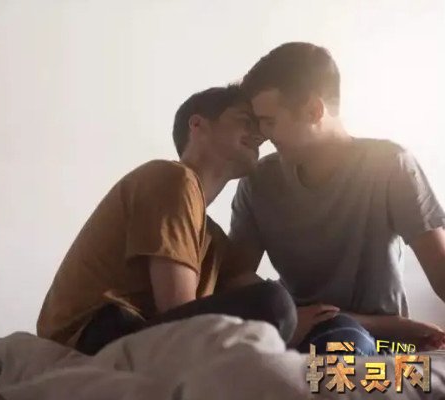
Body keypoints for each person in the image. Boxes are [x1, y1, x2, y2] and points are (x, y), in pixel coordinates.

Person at [37, 85, 297, 355]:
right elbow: (178, 311)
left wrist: (303, 312)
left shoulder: (213, 239)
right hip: (94, 333)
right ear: (197, 125)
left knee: (304, 329)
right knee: (274, 304)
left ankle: (318, 372)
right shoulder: (173, 179)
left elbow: (244, 285)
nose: (259, 135)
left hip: (134, 331)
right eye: (245, 121)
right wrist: (285, 313)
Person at [229, 42, 445, 354]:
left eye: (269, 121)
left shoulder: (389, 165)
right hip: (297, 333)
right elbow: (235, 279)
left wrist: (385, 327)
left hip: (378, 343)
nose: (261, 134)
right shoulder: (258, 181)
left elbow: (441, 273)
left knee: (347, 350)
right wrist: (289, 317)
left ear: (314, 111)